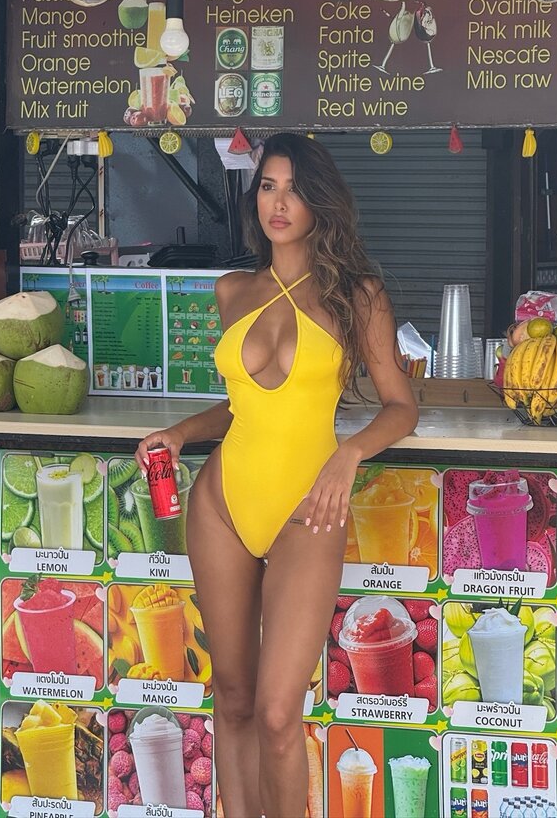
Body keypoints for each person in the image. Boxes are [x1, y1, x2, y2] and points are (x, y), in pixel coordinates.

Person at [136, 133, 418, 818]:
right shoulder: (233, 289)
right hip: (223, 505)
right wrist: (180, 433)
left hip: (308, 510)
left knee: (276, 713)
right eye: (267, 186)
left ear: (319, 201)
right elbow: (242, 408)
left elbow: (402, 407)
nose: (278, 203)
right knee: (232, 698)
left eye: (293, 189)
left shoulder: (357, 296)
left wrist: (348, 455)